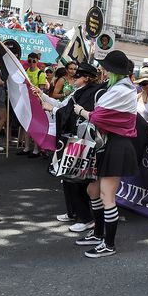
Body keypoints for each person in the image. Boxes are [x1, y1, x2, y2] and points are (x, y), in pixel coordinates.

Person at [72, 50, 138, 258]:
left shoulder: (122, 90)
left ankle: (108, 244)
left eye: (106, 67)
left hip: (116, 145)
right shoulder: (118, 88)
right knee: (93, 190)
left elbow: (97, 117)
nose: (103, 70)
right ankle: (99, 233)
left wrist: (80, 111)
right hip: (107, 145)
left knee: (107, 196)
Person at [37, 62, 102, 233]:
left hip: (81, 142)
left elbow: (71, 114)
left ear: (86, 78)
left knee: (76, 180)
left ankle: (86, 218)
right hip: (74, 140)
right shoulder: (79, 91)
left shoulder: (89, 93)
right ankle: (74, 212)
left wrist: (52, 109)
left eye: (78, 76)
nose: (74, 78)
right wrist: (43, 96)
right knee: (68, 178)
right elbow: (64, 107)